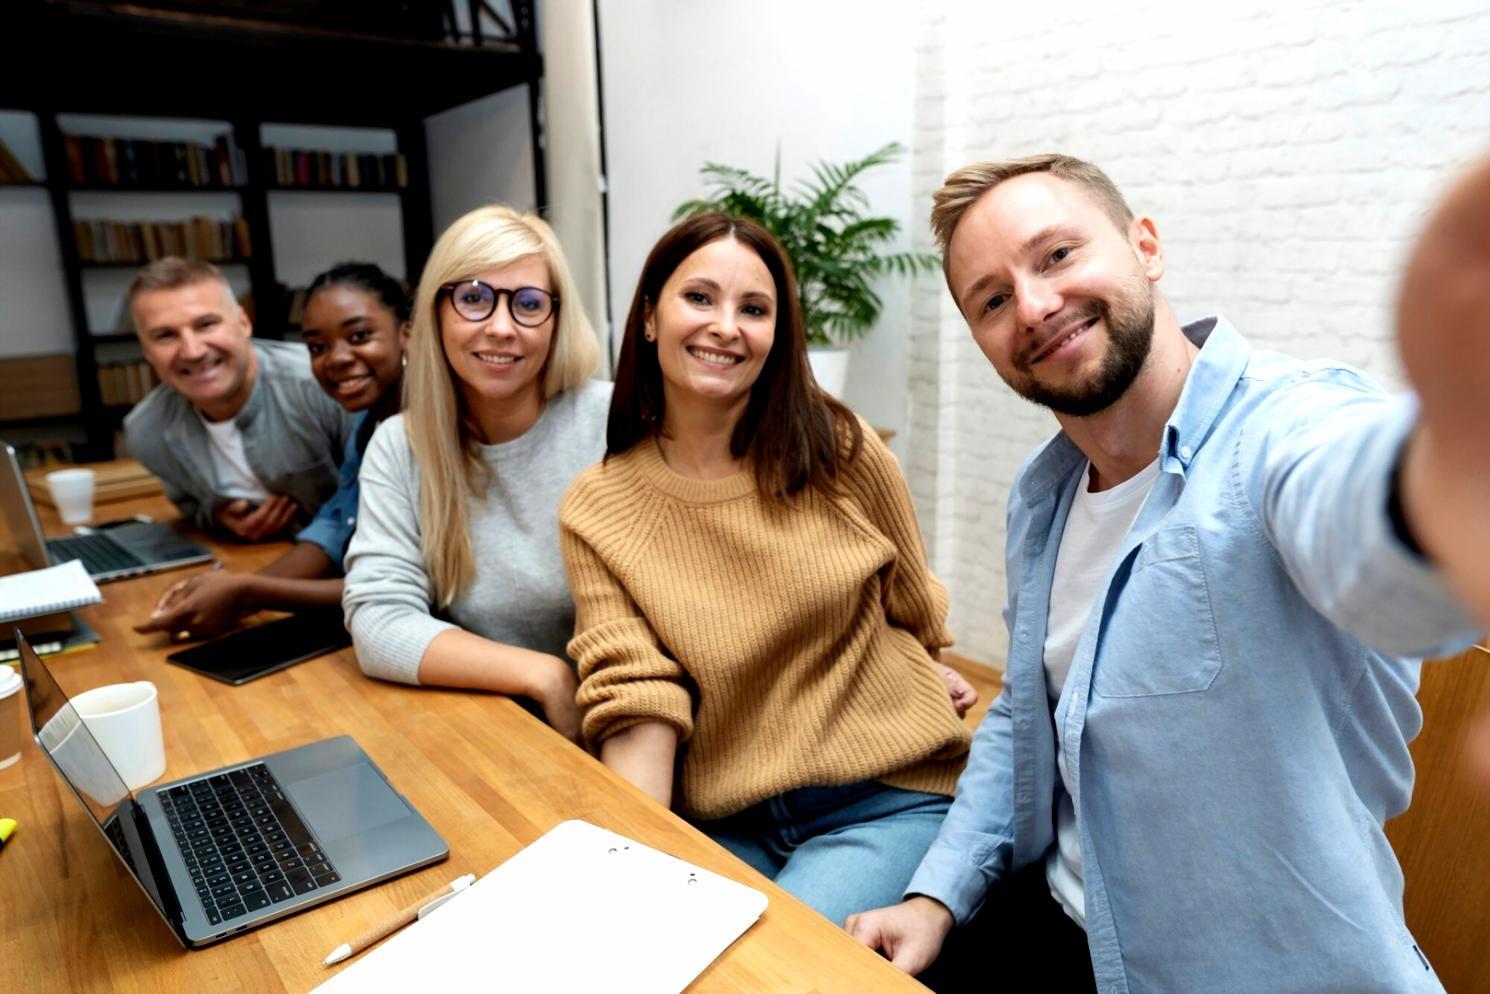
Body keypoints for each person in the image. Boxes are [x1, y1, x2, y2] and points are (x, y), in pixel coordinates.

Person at [845, 154, 1488, 993]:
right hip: (1055, 922)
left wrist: (1440, 485)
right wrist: (938, 893)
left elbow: (1357, 514)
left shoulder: (1285, 428)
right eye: (993, 300)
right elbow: (1027, 719)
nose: (1034, 307)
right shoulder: (1042, 502)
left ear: (1144, 244)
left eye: (1058, 256)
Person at [558, 212, 974, 928]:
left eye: (754, 309)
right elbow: (637, 698)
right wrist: (627, 864)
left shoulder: (839, 449)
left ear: (776, 336)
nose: (726, 326)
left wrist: (909, 669)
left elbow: (913, 607)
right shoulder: (598, 506)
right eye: (700, 298)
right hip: (726, 816)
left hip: (879, 798)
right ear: (650, 317)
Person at [341, 205, 610, 741]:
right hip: (493, 728)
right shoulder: (401, 445)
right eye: (473, 298)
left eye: (529, 304)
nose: (502, 327)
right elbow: (379, 622)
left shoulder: (609, 422)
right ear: (436, 312)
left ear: (557, 320)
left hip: (623, 732)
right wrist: (545, 676)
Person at [134, 262, 410, 640]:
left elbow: (405, 585)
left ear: (407, 333)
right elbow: (337, 523)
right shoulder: (370, 420)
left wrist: (248, 591)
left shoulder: (419, 425)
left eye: (360, 335)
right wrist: (235, 591)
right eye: (318, 347)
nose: (193, 350)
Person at [124, 257, 352, 540]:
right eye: (165, 335)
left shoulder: (324, 388)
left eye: (206, 324)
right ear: (146, 351)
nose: (192, 351)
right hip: (244, 559)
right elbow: (190, 506)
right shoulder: (146, 431)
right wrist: (217, 516)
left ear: (243, 323)